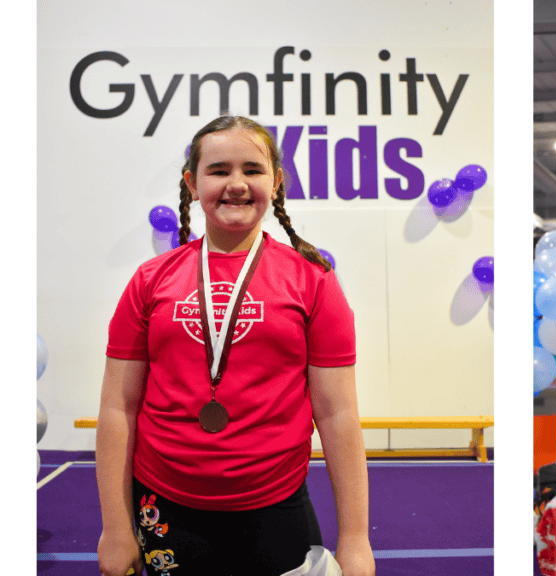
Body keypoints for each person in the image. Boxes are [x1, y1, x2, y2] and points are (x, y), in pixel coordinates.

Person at [96, 116, 375, 576]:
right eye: (219, 170)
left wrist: (355, 539)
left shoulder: (314, 280)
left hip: (275, 507)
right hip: (165, 504)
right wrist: (115, 528)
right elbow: (117, 408)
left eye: (252, 169)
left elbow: (337, 414)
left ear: (277, 181)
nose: (237, 184)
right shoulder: (150, 280)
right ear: (192, 182)